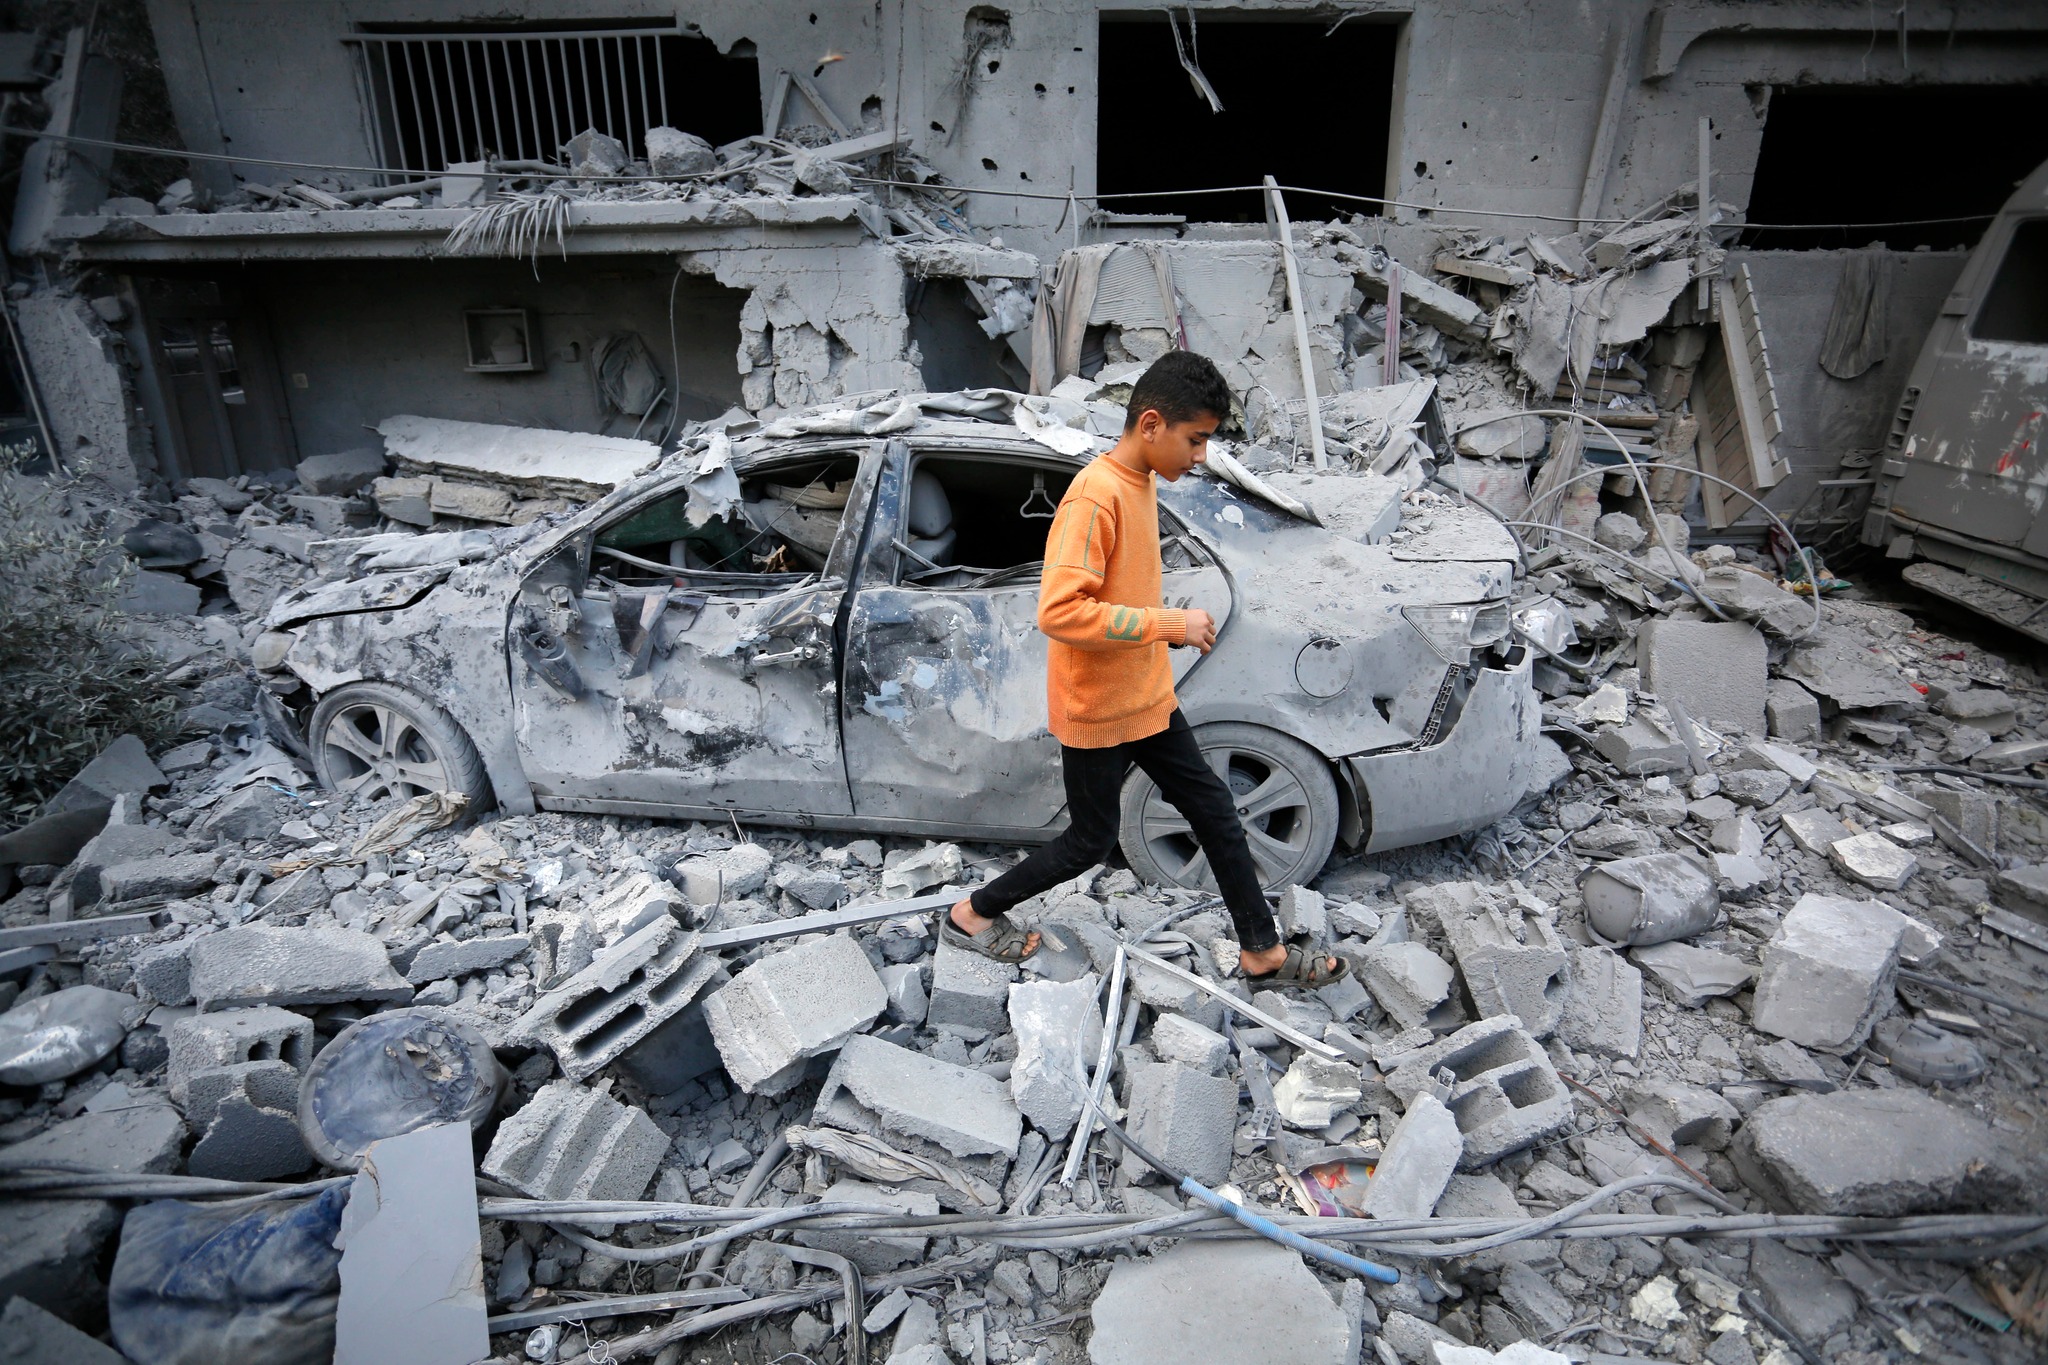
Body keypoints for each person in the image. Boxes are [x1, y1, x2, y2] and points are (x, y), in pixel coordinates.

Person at [940, 351, 1348, 988]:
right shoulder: (1094, 497)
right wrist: (1168, 624)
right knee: (1089, 841)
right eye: (1196, 439)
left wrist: (1161, 629)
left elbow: (1117, 590)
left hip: (1145, 698)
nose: (1202, 456)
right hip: (1099, 707)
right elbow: (1060, 611)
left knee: (1215, 809)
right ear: (1152, 424)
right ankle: (971, 914)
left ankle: (1261, 952)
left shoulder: (1141, 481)